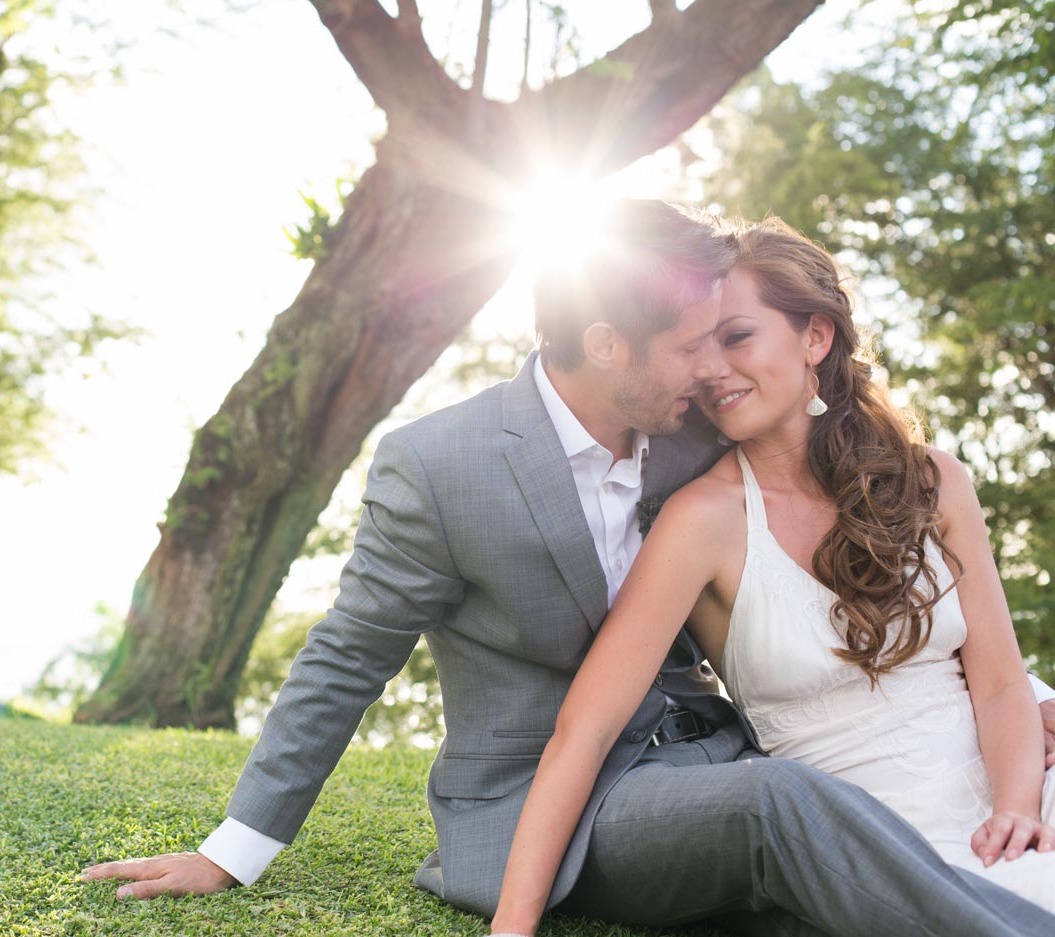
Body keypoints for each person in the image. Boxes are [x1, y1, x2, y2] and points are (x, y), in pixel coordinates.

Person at [82, 201, 1055, 935]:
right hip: (566, 798)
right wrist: (235, 849)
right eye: (688, 347)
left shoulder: (692, 436)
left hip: (719, 764)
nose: (709, 373)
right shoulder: (440, 467)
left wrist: (1008, 716)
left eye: (722, 343)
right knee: (785, 805)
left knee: (803, 807)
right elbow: (346, 660)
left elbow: (803, 425)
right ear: (607, 345)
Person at [488, 217, 1055, 936]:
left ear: (815, 338)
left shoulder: (934, 480)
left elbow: (1003, 680)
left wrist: (1018, 807)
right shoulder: (702, 520)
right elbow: (585, 729)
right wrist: (513, 922)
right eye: (698, 344)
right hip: (862, 842)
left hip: (1014, 785)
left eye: (737, 336)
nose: (710, 367)